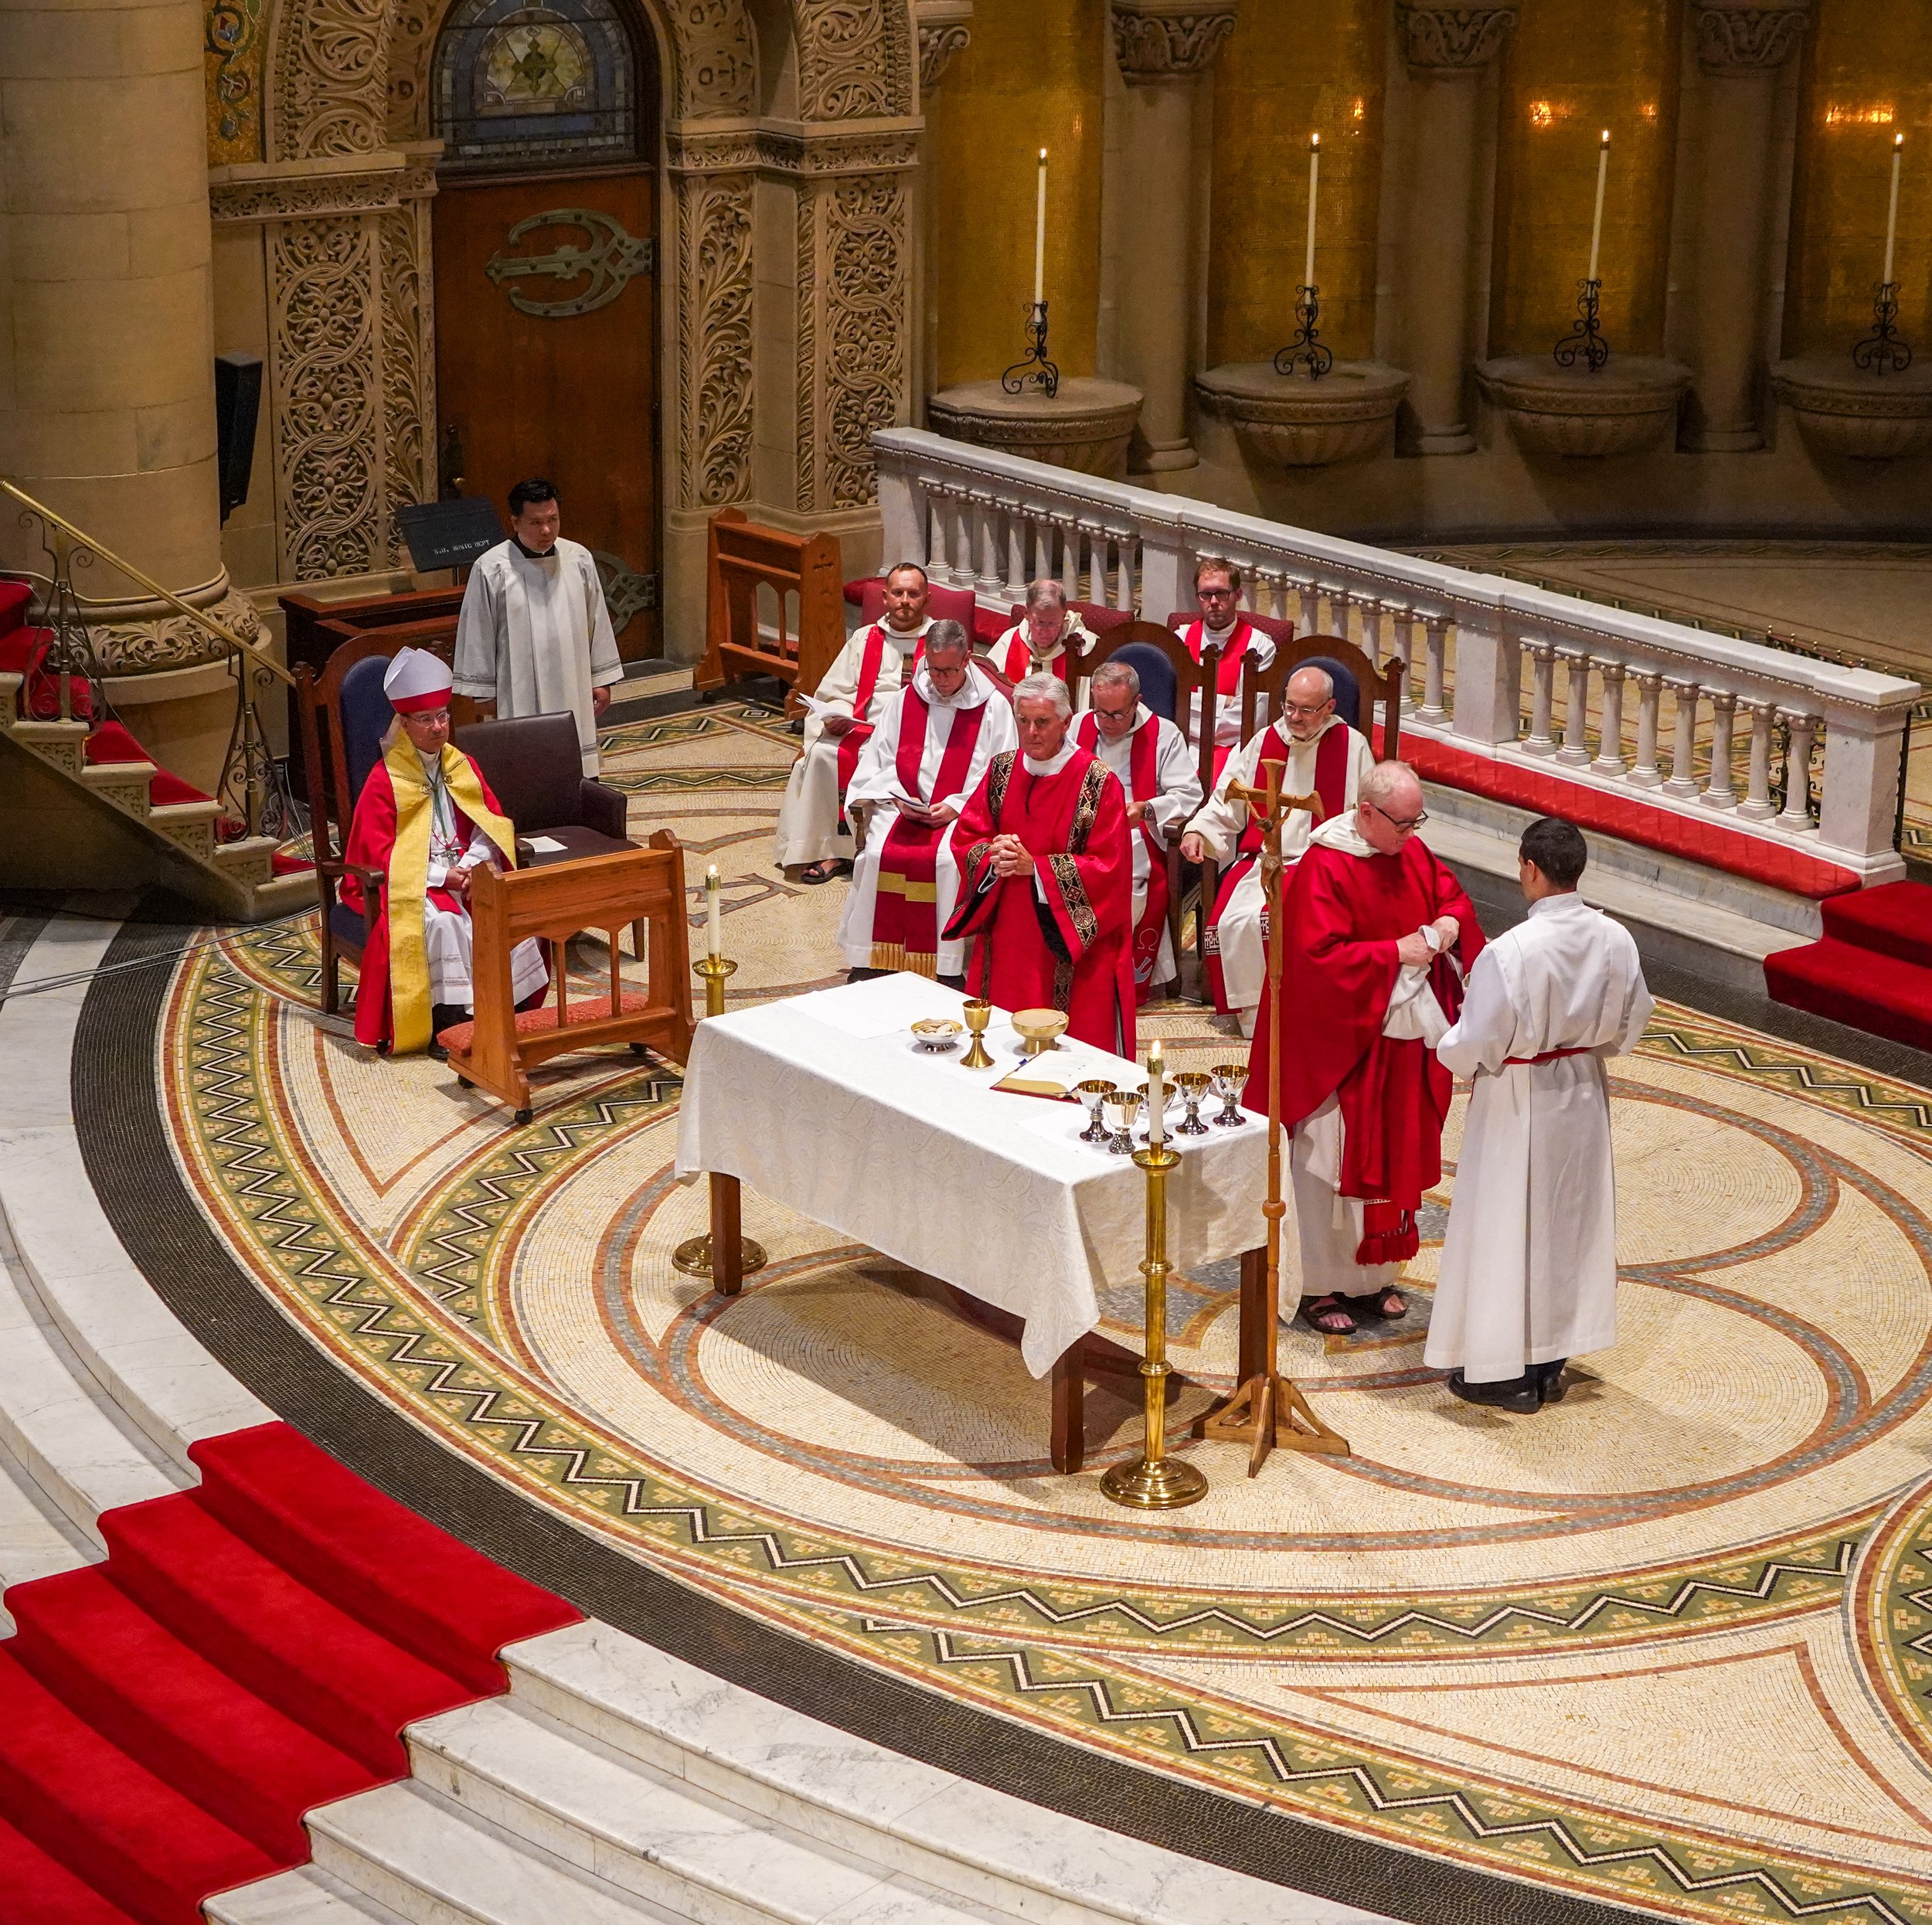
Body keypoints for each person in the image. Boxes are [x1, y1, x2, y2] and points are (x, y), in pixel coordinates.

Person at [1427, 818, 1654, 1412]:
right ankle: (1550, 1363)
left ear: (1529, 868)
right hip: (1582, 1090)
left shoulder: (1512, 951)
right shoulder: (1617, 938)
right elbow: (1633, 1022)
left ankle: (1505, 1373)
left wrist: (1442, 1042)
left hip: (1518, 1094)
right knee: (1566, 1225)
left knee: (1509, 1226)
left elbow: (1477, 1040)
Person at [1264, 760, 1484, 1337]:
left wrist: (1447, 927)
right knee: (1328, 1165)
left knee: (1395, 1156)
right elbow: (1313, 963)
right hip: (1344, 1051)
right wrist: (1394, 953)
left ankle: (1374, 1277)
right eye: (1404, 823)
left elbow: (1454, 900)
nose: (1414, 834)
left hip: (1400, 1047)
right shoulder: (1324, 866)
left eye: (1418, 822)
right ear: (1366, 812)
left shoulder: (1410, 852)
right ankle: (1320, 1283)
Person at [341, 648, 547, 1059]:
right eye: (426, 719)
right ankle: (447, 1022)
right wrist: (442, 878)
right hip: (413, 884)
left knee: (510, 908)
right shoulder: (386, 780)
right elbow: (379, 854)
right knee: (444, 922)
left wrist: (472, 866)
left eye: (444, 715)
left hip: (467, 872)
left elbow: (491, 823)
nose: (438, 728)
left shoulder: (461, 765)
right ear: (403, 723)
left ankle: (506, 1009)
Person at [944, 673, 1137, 1053]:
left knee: (1064, 1056)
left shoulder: (1098, 783)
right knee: (998, 1043)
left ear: (1067, 722)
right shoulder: (1002, 771)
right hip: (1005, 930)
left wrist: (1038, 868)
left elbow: (1110, 869)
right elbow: (967, 836)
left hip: (1065, 943)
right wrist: (991, 854)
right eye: (1023, 720)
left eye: (1043, 722)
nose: (1030, 732)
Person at [1181, 663, 1373, 1036]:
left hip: (1322, 863)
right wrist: (1200, 831)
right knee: (1235, 922)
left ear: (1329, 707)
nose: (1294, 718)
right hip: (1264, 861)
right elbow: (1229, 797)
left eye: (1306, 710)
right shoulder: (1266, 740)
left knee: (1279, 922)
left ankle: (1300, 1014)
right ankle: (1255, 1020)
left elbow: (1361, 818)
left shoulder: (1352, 747)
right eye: (1289, 707)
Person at [838, 621, 1016, 981]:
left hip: (962, 813)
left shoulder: (994, 708)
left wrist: (957, 806)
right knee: (875, 855)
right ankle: (873, 958)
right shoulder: (907, 699)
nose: (942, 679)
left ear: (967, 659)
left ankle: (945, 966)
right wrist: (899, 798)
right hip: (904, 807)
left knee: (947, 861)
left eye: (951, 670)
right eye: (935, 670)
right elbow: (880, 758)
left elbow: (1003, 773)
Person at [774, 561, 934, 885]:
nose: (905, 600)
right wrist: (837, 714)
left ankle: (887, 849)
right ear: (885, 597)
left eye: (913, 594)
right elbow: (836, 688)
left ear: (926, 598)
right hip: (863, 727)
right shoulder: (865, 638)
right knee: (821, 755)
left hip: (917, 732)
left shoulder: (939, 640)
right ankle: (833, 849)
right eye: (898, 593)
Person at [453, 478, 624, 776]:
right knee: (526, 773)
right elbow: (478, 632)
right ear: (515, 521)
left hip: (573, 685)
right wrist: (483, 693)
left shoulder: (578, 559)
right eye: (535, 522)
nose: (547, 531)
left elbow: (597, 620)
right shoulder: (491, 567)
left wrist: (601, 678)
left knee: (577, 772)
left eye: (553, 520)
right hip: (517, 691)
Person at [1073, 659, 1200, 1001]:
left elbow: (1189, 793)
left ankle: (1109, 976)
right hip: (1079, 827)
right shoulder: (1078, 725)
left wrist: (1146, 808)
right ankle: (1068, 965)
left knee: (1124, 872)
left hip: (1136, 829)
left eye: (1118, 714)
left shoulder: (1164, 733)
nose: (1108, 723)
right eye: (1101, 713)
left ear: (1137, 702)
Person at [1175, 559, 1277, 774]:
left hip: (1234, 751)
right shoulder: (1180, 640)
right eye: (1205, 594)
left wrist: (1191, 706)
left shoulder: (1259, 646)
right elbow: (1169, 705)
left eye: (1221, 593)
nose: (1213, 601)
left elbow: (1251, 718)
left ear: (1238, 595)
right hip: (1180, 744)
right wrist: (1226, 703)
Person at [988, 578, 1087, 685]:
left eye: (1052, 623)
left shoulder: (1082, 646)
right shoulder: (1010, 639)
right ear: (1026, 614)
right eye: (1039, 623)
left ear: (1064, 615)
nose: (1044, 632)